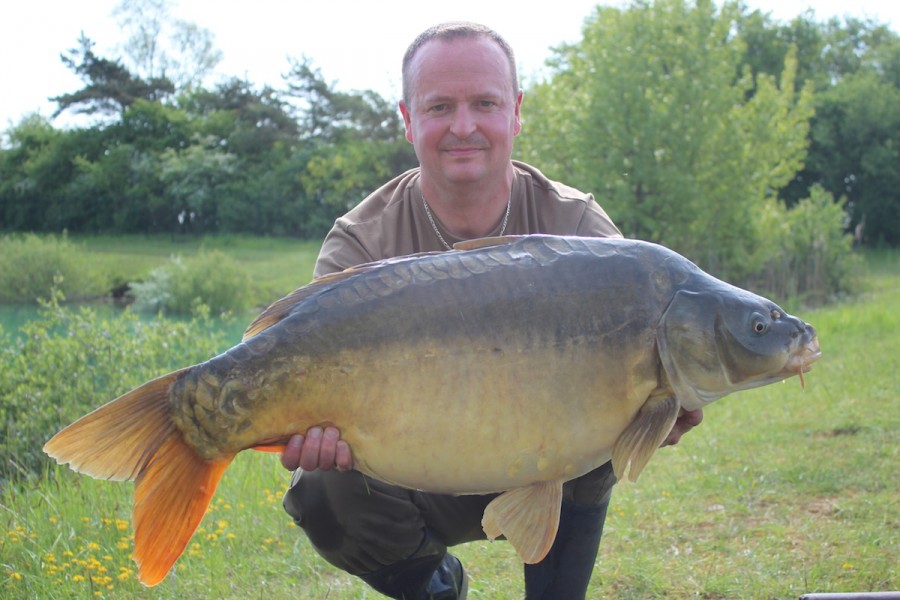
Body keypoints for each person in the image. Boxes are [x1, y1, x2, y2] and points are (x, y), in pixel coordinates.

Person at [280, 22, 703, 599]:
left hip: (552, 465)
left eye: (485, 103)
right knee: (322, 488)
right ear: (407, 119)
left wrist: (662, 406)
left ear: (516, 112)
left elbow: (644, 369)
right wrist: (314, 431)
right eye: (440, 106)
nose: (463, 126)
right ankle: (432, 583)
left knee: (601, 421)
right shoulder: (360, 243)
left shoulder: (579, 229)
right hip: (416, 468)